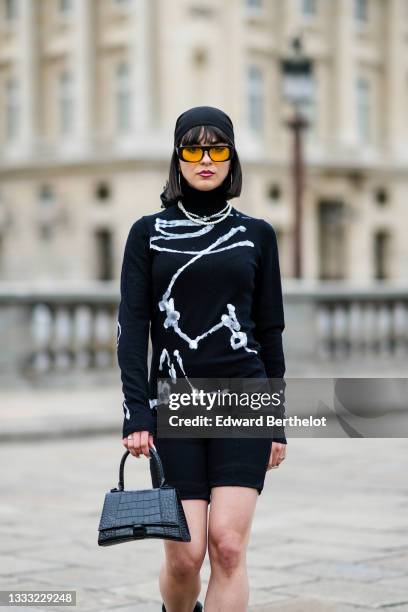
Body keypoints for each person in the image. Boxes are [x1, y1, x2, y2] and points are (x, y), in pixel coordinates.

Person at [117, 106, 287, 612]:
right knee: (185, 557)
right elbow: (133, 329)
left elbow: (270, 331)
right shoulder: (146, 234)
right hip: (176, 404)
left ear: (232, 159)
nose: (206, 159)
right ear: (178, 158)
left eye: (218, 148)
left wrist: (276, 419)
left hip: (245, 401)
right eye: (194, 148)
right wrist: (137, 411)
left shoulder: (258, 235)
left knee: (229, 547)